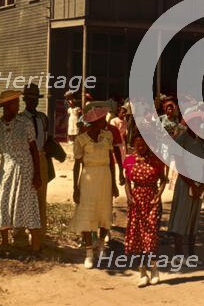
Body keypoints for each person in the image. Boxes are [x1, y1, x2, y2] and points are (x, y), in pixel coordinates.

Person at [0, 90, 42, 253]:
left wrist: (37, 173)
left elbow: (34, 150)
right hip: (6, 168)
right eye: (15, 103)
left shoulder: (25, 123)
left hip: (25, 168)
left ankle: (36, 245)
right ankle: (5, 243)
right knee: (2, 202)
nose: (18, 105)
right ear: (6, 106)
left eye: (18, 102)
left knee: (28, 203)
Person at [70, 104, 119, 269]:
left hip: (104, 177)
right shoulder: (81, 139)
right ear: (95, 122)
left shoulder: (107, 136)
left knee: (104, 211)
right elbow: (77, 165)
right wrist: (75, 188)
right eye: (101, 120)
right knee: (87, 213)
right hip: (88, 179)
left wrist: (114, 183)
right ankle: (89, 253)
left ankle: (101, 245)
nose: (105, 122)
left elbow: (111, 162)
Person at [124, 134, 167, 287]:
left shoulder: (156, 160)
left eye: (144, 144)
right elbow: (127, 182)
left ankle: (154, 270)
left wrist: (158, 196)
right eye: (138, 144)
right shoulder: (129, 160)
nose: (141, 147)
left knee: (151, 234)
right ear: (134, 145)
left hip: (152, 200)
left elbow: (164, 180)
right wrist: (129, 197)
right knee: (138, 236)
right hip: (136, 201)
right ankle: (143, 273)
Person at [168, 112, 204, 258]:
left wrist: (202, 185)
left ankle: (191, 254)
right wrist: (192, 185)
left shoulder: (201, 142)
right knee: (181, 218)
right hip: (185, 184)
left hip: (199, 184)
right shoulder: (181, 140)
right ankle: (179, 254)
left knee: (194, 218)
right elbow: (180, 166)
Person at [19, 84, 51, 237]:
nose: (33, 102)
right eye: (30, 99)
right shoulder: (19, 119)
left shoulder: (42, 118)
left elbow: (46, 138)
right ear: (25, 100)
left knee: (40, 196)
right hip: (25, 158)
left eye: (36, 99)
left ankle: (40, 234)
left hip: (41, 157)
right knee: (23, 195)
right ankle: (19, 232)